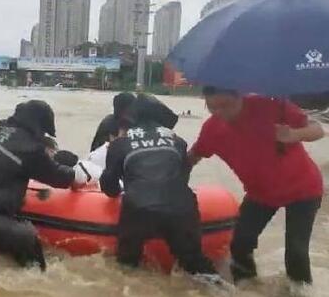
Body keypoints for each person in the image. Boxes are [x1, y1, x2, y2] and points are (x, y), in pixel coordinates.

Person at [189, 87, 324, 286]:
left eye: (225, 106)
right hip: (261, 194)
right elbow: (193, 156)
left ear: (240, 97)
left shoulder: (271, 106)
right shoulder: (212, 129)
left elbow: (318, 130)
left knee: (296, 251)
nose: (219, 112)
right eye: (211, 107)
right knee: (239, 243)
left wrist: (294, 134)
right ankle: (248, 287)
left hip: (303, 189)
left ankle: (299, 291)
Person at [0, 100, 91, 270]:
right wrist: (78, 177)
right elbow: (57, 176)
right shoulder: (28, 147)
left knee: (6, 233)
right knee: (26, 235)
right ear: (37, 126)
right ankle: (37, 279)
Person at [99, 94, 218, 278]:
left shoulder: (120, 144)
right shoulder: (178, 141)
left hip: (138, 210)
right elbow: (182, 177)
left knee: (127, 268)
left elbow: (109, 188)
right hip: (181, 208)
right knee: (195, 264)